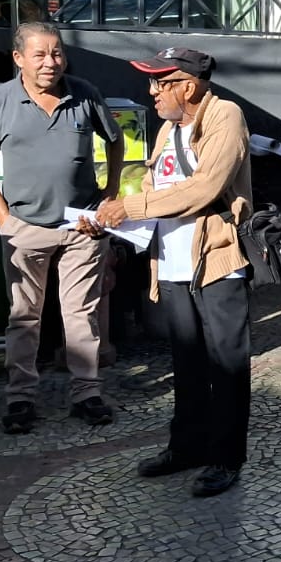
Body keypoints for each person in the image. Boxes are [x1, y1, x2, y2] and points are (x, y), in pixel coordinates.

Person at [93, 47, 251, 497]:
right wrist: (112, 219)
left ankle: (225, 457)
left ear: (188, 84)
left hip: (217, 261)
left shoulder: (227, 117)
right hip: (173, 263)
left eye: (159, 83)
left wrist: (132, 207)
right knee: (186, 362)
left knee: (227, 365)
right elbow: (152, 186)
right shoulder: (166, 130)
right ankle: (186, 447)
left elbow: (204, 189)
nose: (151, 92)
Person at [0, 21, 120, 434]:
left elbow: (115, 139)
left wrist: (111, 191)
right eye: (40, 54)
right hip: (25, 227)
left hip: (82, 226)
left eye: (57, 53)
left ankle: (87, 393)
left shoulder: (84, 92)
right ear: (18, 59)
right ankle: (20, 398)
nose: (51, 62)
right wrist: (3, 219)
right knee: (23, 317)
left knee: (81, 315)